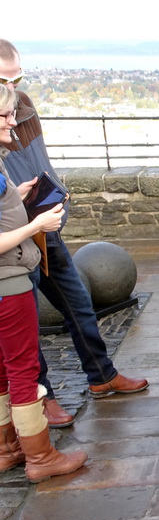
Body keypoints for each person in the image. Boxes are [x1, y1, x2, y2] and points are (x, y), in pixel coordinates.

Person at [0, 39, 148, 426]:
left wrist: (53, 199)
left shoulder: (24, 108)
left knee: (78, 303)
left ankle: (102, 375)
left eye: (19, 78)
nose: (14, 89)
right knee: (27, 325)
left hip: (44, 230)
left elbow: (38, 162)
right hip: (16, 240)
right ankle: (40, 398)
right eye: (5, 80)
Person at [0, 85, 89, 481]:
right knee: (22, 370)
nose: (12, 122)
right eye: (4, 116)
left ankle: (8, 449)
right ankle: (41, 458)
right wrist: (37, 224)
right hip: (8, 281)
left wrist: (16, 197)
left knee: (3, 372)